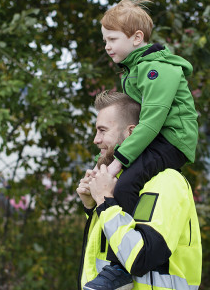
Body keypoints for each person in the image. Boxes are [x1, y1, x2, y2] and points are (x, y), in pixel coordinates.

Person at [94, 0, 200, 288]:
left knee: (126, 183)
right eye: (105, 39)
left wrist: (118, 163)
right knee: (125, 181)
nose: (107, 45)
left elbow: (151, 122)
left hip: (171, 140)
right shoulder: (134, 71)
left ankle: (121, 267)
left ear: (137, 38)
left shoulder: (156, 69)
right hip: (157, 138)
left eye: (113, 38)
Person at [77, 91, 202, 290]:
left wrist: (105, 202)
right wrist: (92, 207)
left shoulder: (166, 182)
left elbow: (140, 257)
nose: (95, 140)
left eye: (102, 130)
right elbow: (105, 253)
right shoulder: (119, 185)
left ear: (131, 133)